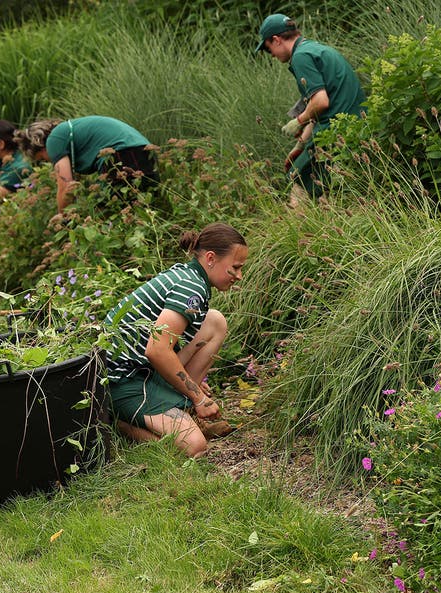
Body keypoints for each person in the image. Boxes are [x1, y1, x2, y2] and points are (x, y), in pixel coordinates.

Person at [104, 223, 248, 458]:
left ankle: (179, 407)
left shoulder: (189, 275)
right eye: (235, 268)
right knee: (195, 447)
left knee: (214, 322)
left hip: (144, 368)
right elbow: (157, 350)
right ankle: (119, 425)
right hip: (123, 380)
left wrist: (187, 383)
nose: (239, 276)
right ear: (211, 258)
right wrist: (198, 397)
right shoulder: (191, 287)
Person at [255, 13, 366, 203]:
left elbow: (321, 102)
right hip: (354, 129)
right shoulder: (315, 49)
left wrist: (298, 120)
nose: (272, 55)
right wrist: (300, 145)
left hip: (336, 133)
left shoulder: (300, 58)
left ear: (276, 40)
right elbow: (318, 109)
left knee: (300, 183)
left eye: (268, 49)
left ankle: (298, 229)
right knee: (328, 192)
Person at [14, 115, 159, 213]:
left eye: (43, 158)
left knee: (110, 212)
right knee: (147, 209)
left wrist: (63, 219)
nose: (49, 161)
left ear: (39, 145)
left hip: (121, 155)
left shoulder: (53, 140)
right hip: (144, 151)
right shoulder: (69, 132)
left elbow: (66, 187)